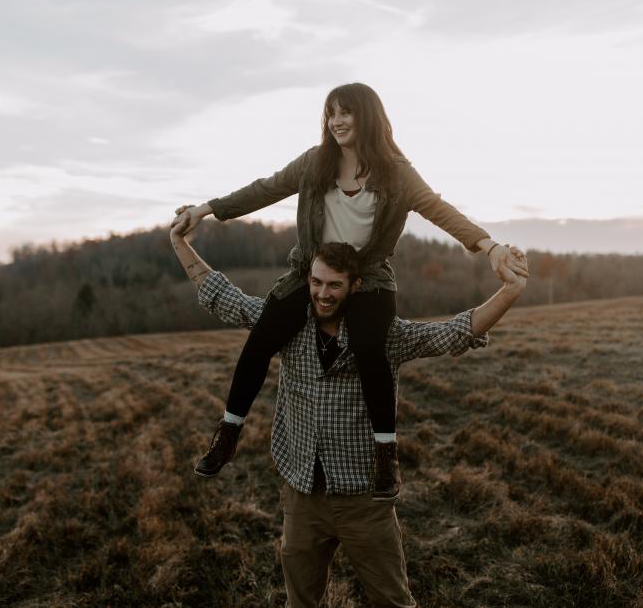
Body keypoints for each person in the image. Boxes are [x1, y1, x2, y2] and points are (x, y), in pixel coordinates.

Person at [173, 82, 528, 500]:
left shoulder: (397, 173)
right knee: (260, 339)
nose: (336, 121)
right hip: (313, 271)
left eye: (346, 112)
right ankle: (228, 433)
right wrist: (205, 209)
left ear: (367, 116)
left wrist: (489, 247)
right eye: (331, 113)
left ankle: (385, 456)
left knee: (369, 349)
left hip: (368, 278)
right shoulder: (314, 163)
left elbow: (438, 209)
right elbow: (264, 189)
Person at [169, 215, 528, 607]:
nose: (322, 294)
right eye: (316, 282)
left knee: (393, 602)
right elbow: (224, 297)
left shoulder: (382, 336)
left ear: (355, 286)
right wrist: (179, 242)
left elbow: (455, 331)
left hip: (364, 500)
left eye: (334, 285)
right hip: (302, 495)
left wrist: (511, 290)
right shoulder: (285, 325)